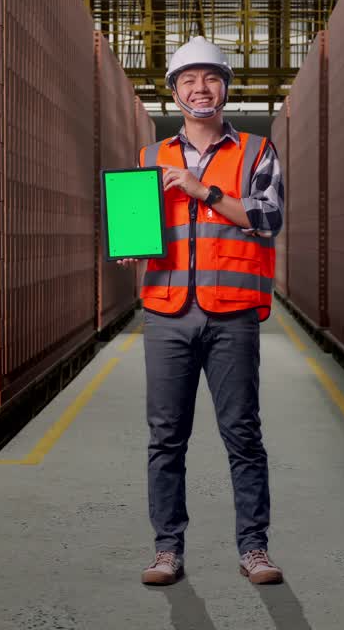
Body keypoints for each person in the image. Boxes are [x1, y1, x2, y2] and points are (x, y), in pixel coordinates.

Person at [117, 36, 285, 586]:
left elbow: (266, 218)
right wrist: (130, 242)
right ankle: (167, 550)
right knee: (166, 436)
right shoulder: (147, 159)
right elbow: (143, 228)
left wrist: (202, 189)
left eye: (210, 77)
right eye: (188, 79)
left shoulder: (256, 151)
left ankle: (254, 549)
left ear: (225, 87)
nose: (200, 88)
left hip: (231, 313)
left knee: (242, 433)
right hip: (167, 312)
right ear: (173, 93)